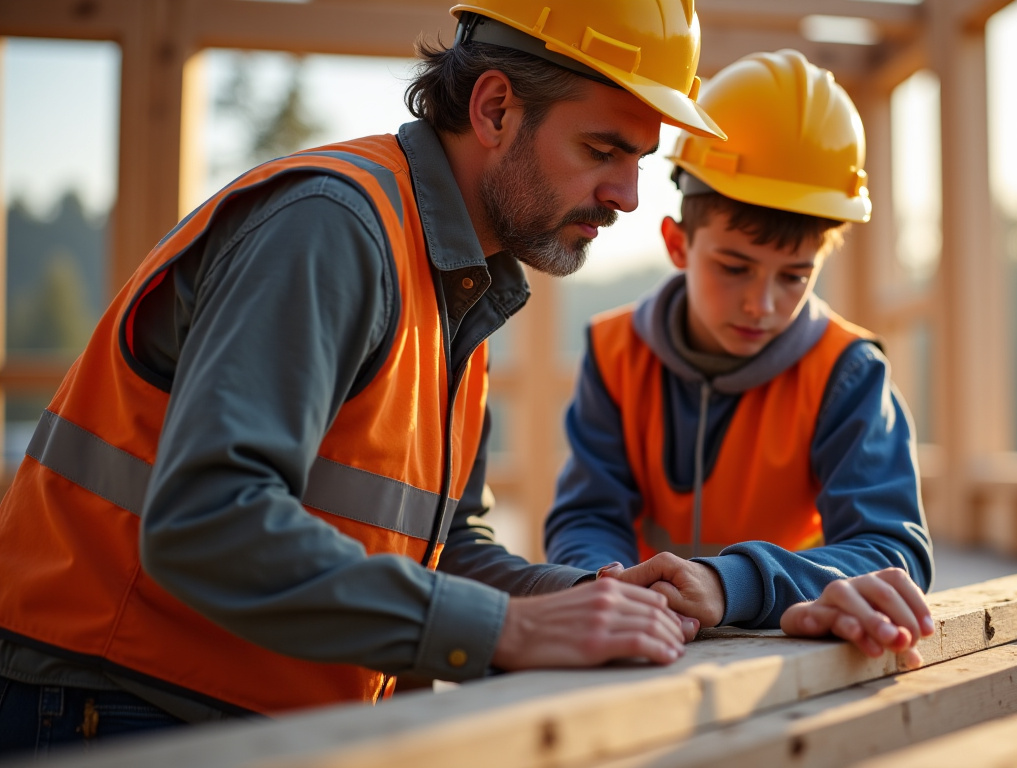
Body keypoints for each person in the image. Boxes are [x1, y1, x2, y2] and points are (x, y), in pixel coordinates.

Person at [0, 0, 727, 754]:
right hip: (108, 706)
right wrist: (509, 628)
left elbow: (441, 552)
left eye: (639, 159)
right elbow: (208, 520)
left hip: (238, 713)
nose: (628, 196)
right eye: (603, 149)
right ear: (495, 108)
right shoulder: (333, 227)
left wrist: (582, 600)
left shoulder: (459, 281)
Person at [544, 50, 936, 662]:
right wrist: (607, 584)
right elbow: (587, 513)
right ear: (679, 244)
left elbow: (891, 550)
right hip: (645, 640)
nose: (761, 303)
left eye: (793, 276)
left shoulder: (849, 371)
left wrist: (731, 584)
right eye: (734, 267)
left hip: (787, 647)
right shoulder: (614, 352)